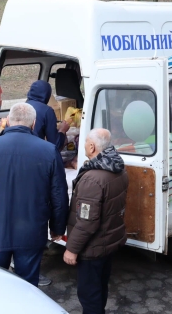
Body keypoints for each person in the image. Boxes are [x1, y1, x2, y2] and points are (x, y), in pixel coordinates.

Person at [0, 103, 69, 287]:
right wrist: (57, 227)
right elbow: (59, 196)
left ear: (8, 122)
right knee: (27, 287)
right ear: (34, 123)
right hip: (31, 232)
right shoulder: (49, 151)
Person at [63, 128, 128, 314]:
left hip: (92, 248)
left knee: (89, 294)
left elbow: (86, 221)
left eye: (84, 143)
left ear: (91, 146)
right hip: (108, 242)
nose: (83, 146)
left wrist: (71, 249)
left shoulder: (92, 179)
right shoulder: (118, 168)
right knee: (100, 287)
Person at [26, 80, 70, 152]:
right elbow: (55, 145)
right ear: (47, 95)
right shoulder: (47, 111)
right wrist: (63, 130)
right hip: (34, 152)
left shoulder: (19, 107)